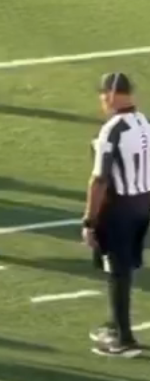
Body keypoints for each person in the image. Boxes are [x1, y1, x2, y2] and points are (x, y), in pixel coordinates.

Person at [86, 71, 150, 357]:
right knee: (124, 266)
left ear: (110, 95)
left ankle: (124, 339)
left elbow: (99, 179)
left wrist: (89, 220)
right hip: (143, 202)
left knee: (117, 270)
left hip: (119, 207)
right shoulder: (143, 122)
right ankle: (115, 325)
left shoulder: (112, 129)